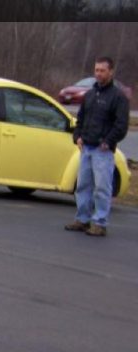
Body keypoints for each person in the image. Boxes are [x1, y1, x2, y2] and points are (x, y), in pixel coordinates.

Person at [65, 56, 129, 237]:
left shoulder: (118, 97)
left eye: (102, 70)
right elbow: (81, 119)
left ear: (111, 72)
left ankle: (100, 222)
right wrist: (77, 136)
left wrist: (108, 142)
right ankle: (82, 219)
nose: (98, 74)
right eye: (96, 70)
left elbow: (121, 125)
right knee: (83, 186)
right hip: (86, 148)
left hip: (103, 151)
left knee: (102, 188)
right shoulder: (90, 95)